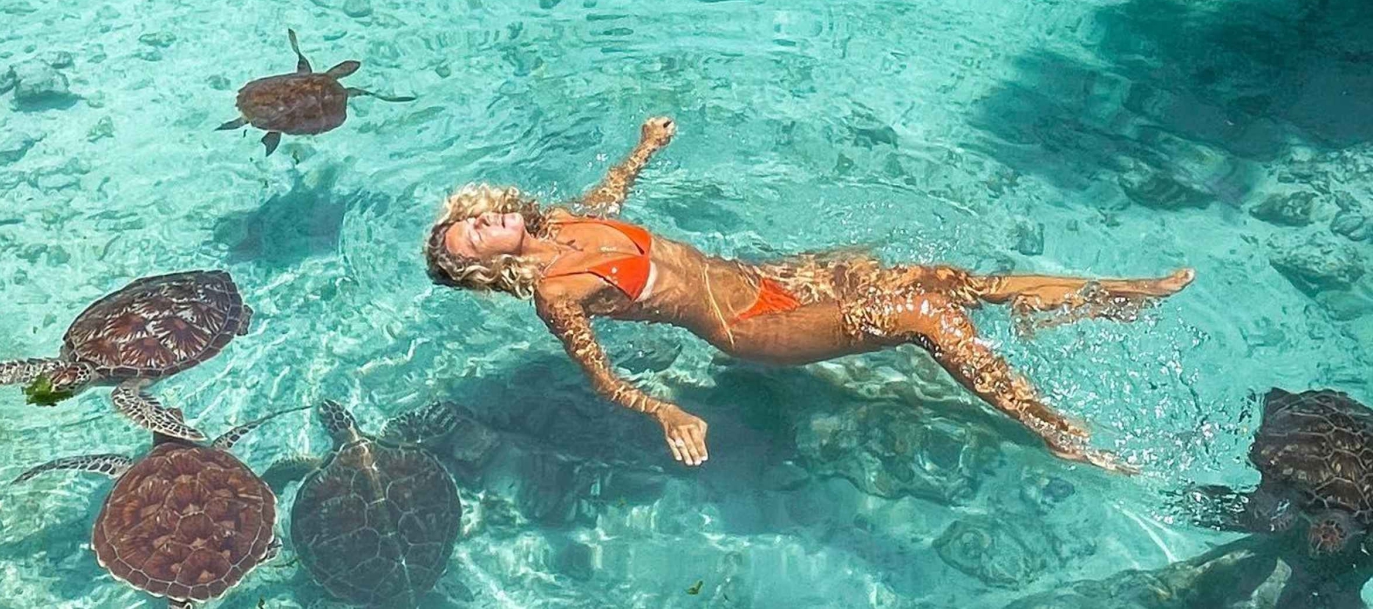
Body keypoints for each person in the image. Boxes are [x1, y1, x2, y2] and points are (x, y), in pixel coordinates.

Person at [424, 117, 1193, 472]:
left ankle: (1102, 295)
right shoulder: (556, 297)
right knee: (925, 316)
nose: (482, 221)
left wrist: (643, 148)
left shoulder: (556, 220)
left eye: (471, 217)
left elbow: (608, 201)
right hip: (750, 326)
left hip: (767, 275)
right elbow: (603, 378)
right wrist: (667, 409)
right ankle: (1059, 429)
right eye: (472, 236)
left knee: (948, 280)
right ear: (487, 269)